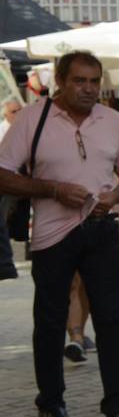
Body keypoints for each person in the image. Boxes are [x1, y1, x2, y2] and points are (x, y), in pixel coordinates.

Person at [0, 51, 119, 417]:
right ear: (60, 81)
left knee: (112, 322)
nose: (89, 88)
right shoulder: (34, 117)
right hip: (52, 235)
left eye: (94, 81)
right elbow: (3, 175)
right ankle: (51, 403)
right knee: (48, 321)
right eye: (79, 81)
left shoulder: (111, 119)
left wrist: (118, 194)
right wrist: (52, 189)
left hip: (102, 230)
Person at [0, 97, 21, 280]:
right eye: (14, 112)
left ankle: (6, 263)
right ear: (6, 114)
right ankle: (5, 263)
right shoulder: (2, 130)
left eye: (19, 111)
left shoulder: (23, 130)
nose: (18, 115)